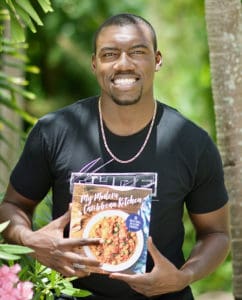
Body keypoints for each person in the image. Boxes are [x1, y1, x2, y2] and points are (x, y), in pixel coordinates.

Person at [0, 13, 230, 300]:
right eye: (110, 54)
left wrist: (183, 277)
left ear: (157, 60)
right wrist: (32, 241)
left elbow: (216, 234)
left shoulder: (191, 142)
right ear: (94, 63)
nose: (123, 64)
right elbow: (12, 205)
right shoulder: (55, 132)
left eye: (137, 52)